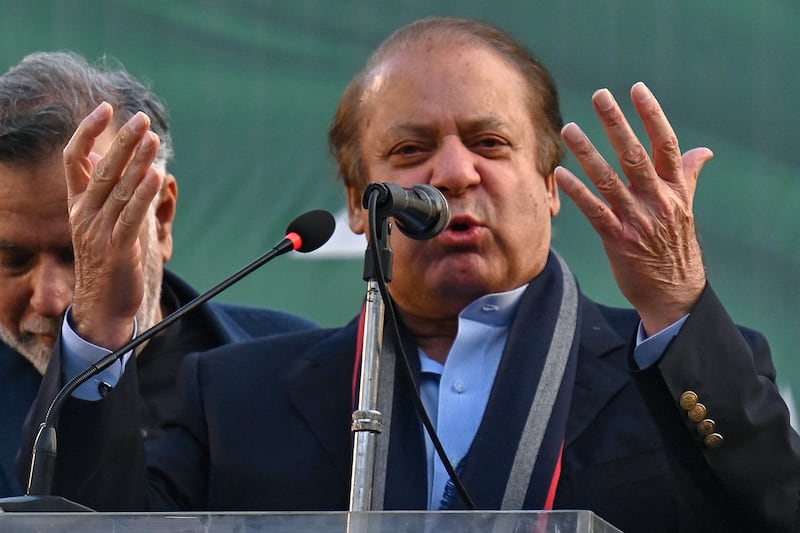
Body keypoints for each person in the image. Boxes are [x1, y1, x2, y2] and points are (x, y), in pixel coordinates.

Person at [18, 18, 799, 532]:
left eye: (490, 143)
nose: (453, 171)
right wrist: (103, 328)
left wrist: (677, 306)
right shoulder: (231, 395)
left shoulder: (665, 373)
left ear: (549, 183)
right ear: (360, 204)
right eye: (410, 150)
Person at [0, 51, 316, 497]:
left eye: (82, 251)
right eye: (11, 258)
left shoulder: (299, 376)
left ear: (162, 217)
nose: (48, 298)